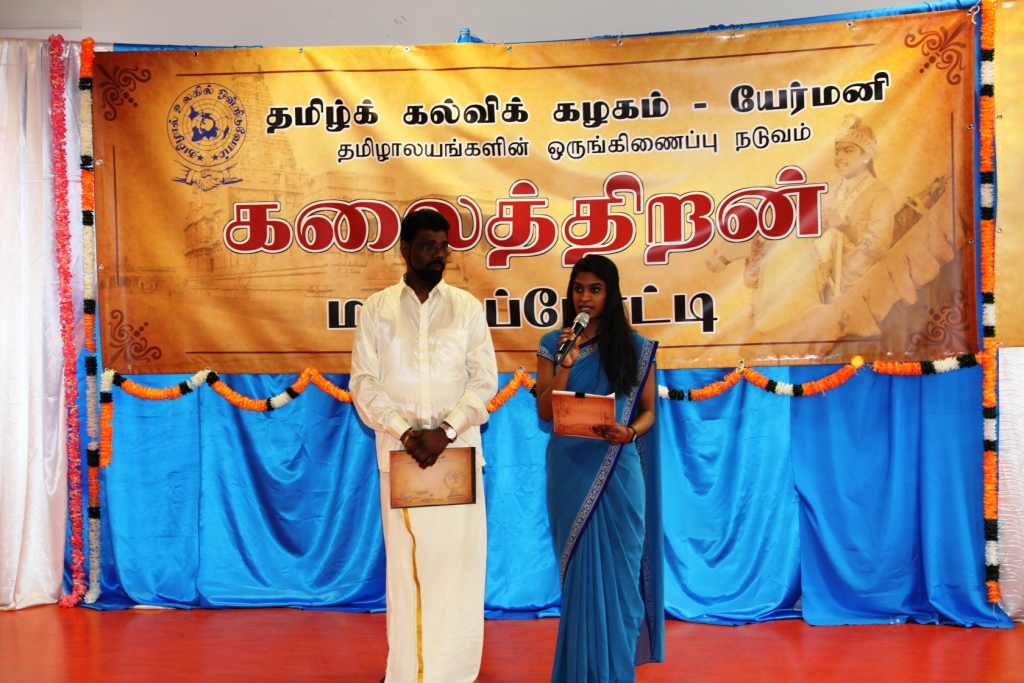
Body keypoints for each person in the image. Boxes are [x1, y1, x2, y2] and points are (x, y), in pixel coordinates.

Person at [350, 208, 498, 683]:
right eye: (428, 246)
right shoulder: (376, 309)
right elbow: (364, 383)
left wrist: (445, 431)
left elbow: (484, 380)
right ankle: (406, 671)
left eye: (444, 246)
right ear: (405, 249)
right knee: (407, 570)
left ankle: (452, 672)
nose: (439, 254)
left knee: (457, 569)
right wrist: (406, 433)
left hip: (456, 458)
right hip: (402, 459)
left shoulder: (467, 308)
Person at [535, 254, 665, 683]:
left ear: (611, 294)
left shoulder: (634, 347)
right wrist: (566, 363)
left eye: (595, 289)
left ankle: (616, 673)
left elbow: (648, 412)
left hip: (618, 471)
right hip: (569, 468)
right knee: (580, 579)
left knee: (621, 578)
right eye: (578, 289)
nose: (585, 297)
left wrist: (629, 432)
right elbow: (544, 412)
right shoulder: (554, 343)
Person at [820, 113, 895, 298]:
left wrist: (849, 230)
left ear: (866, 157)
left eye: (848, 151)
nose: (839, 157)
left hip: (864, 293)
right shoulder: (835, 189)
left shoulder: (880, 193)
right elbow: (814, 227)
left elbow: (880, 249)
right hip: (832, 291)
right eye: (837, 151)